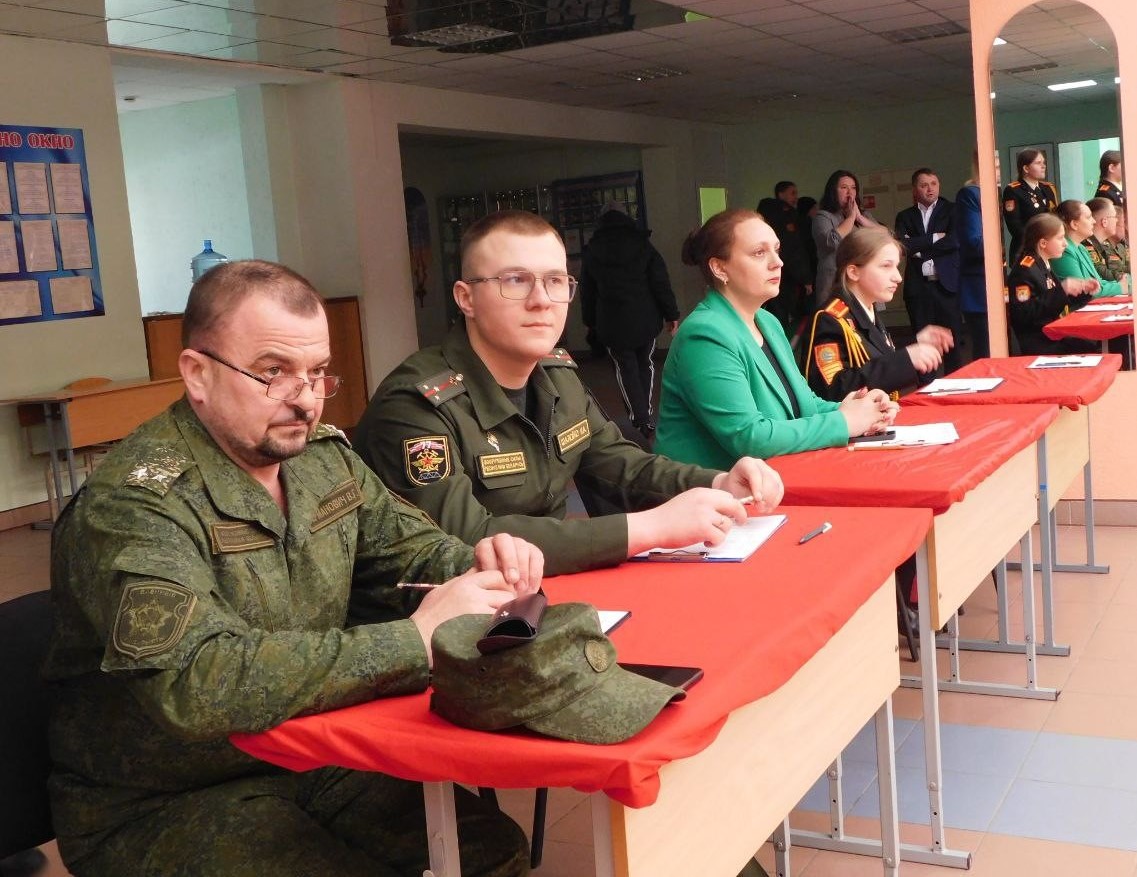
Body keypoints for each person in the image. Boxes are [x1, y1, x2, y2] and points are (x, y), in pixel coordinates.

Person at [45, 260, 539, 877]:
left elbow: (407, 550)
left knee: (489, 853)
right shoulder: (134, 506)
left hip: (309, 750)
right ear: (198, 374)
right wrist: (413, 640)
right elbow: (197, 684)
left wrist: (480, 567)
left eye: (317, 373)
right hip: (166, 796)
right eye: (273, 372)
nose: (303, 398)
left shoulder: (319, 459)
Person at [355, 210, 783, 577]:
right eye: (515, 280)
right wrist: (650, 528)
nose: (542, 300)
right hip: (450, 617)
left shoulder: (556, 374)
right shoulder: (416, 406)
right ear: (466, 299)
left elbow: (621, 465)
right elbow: (468, 540)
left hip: (549, 588)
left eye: (556, 281)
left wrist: (718, 482)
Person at [654, 208, 897, 471]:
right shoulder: (704, 335)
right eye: (759, 253)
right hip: (714, 489)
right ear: (719, 268)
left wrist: (859, 409)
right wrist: (845, 422)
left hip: (771, 479)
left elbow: (804, 403)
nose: (778, 262)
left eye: (777, 250)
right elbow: (749, 438)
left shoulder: (767, 321)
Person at [805, 227, 952, 401]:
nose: (898, 277)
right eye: (886, 266)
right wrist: (906, 359)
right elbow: (831, 390)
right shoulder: (830, 319)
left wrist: (914, 346)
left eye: (896, 266)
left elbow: (874, 358)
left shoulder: (864, 308)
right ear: (854, 272)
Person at [579, 201, 679, 440]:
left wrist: (590, 321)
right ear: (626, 218)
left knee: (626, 369)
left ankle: (639, 418)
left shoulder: (592, 249)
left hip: (611, 322)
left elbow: (587, 291)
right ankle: (647, 413)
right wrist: (671, 314)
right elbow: (660, 281)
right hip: (646, 318)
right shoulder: (642, 243)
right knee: (646, 363)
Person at [893, 167, 962, 373]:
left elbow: (954, 241)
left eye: (933, 184)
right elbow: (902, 246)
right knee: (922, 343)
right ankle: (926, 385)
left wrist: (919, 249)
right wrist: (935, 237)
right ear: (915, 190)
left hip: (945, 286)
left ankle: (955, 384)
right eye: (924, 185)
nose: (930, 189)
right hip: (918, 288)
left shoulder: (952, 210)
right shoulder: (905, 216)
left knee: (952, 343)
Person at [1006, 213, 1099, 355]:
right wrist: (1062, 290)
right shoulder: (1025, 271)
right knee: (1091, 349)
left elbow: (1055, 300)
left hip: (1052, 334)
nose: (1065, 243)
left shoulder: (1042, 264)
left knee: (1095, 343)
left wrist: (1082, 290)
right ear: (1043, 243)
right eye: (1060, 238)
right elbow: (1024, 313)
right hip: (1039, 342)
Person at [812, 169, 882, 309]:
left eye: (853, 188)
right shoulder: (823, 216)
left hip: (862, 280)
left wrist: (859, 218)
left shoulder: (864, 216)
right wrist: (850, 218)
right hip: (834, 282)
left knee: (864, 319)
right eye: (844, 188)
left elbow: (884, 237)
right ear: (833, 191)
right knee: (835, 319)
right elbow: (831, 242)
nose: (850, 193)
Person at [756, 181, 813, 339]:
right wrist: (806, 278)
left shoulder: (761, 217)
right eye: (792, 193)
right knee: (783, 317)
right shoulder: (785, 216)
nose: (796, 197)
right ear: (781, 194)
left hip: (763, 275)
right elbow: (793, 249)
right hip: (785, 276)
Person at [1049, 199, 1127, 298]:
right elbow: (1085, 291)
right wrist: (1123, 287)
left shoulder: (1081, 248)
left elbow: (1098, 282)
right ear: (1074, 224)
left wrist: (1123, 284)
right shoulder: (1065, 251)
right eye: (1088, 217)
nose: (1094, 221)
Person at [954, 152, 991, 360]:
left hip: (1001, 282)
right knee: (986, 350)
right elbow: (974, 242)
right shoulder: (971, 194)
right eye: (994, 165)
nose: (998, 171)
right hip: (979, 284)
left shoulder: (999, 193)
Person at [1001, 147, 1059, 264]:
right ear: (1026, 168)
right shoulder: (1014, 190)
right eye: (1038, 163)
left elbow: (1055, 217)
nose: (1043, 166)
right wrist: (1038, 242)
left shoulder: (1048, 188)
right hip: (1026, 251)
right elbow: (1015, 226)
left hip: (1049, 250)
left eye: (1043, 162)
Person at [1083, 197, 1126, 282]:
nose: (1117, 220)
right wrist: (1127, 278)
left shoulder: (1103, 244)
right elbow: (1102, 274)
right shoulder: (1086, 245)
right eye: (1114, 217)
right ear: (1104, 222)